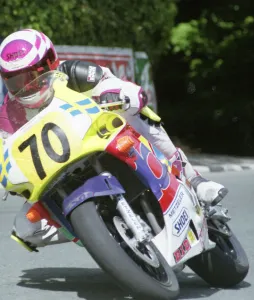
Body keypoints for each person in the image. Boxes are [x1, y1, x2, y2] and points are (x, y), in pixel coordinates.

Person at [0, 29, 228, 251]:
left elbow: (109, 83)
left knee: (137, 114)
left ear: (50, 63)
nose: (25, 87)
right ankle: (98, 235)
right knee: (25, 230)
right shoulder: (9, 113)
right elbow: (4, 146)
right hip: (57, 173)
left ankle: (194, 179)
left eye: (31, 76)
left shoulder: (74, 72)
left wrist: (121, 94)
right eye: (14, 81)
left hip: (100, 141)